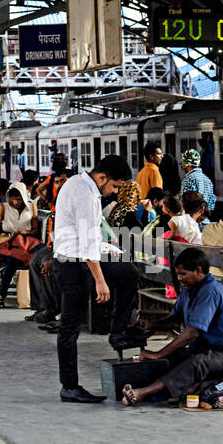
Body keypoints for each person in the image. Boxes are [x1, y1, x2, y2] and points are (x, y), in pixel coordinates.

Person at [51, 154, 139, 403]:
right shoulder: (85, 195)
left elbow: (92, 237)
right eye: (114, 186)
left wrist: (110, 248)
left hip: (81, 258)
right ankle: (69, 386)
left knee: (128, 273)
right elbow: (87, 241)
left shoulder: (80, 183)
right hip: (72, 266)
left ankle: (118, 331)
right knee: (70, 327)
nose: (114, 192)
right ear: (102, 177)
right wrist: (100, 280)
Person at [122, 248, 223, 406]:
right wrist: (151, 324)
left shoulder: (210, 291)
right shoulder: (188, 289)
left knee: (197, 363)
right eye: (178, 274)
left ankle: (142, 393)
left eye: (183, 274)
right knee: (175, 356)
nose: (179, 278)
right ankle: (157, 391)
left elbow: (192, 333)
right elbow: (176, 319)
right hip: (206, 349)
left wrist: (158, 354)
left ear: (198, 270)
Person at [0, 182, 38, 308]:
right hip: (9, 243)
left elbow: (35, 229)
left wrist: (27, 232)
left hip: (27, 243)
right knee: (13, 259)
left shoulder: (32, 206)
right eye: (13, 199)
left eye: (18, 199)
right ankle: (2, 295)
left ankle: (1, 296)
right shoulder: (3, 207)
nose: (16, 203)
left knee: (15, 260)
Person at [180, 148, 215, 213]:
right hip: (205, 219)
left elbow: (184, 203)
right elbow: (212, 204)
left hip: (192, 219)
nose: (182, 165)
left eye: (183, 163)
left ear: (187, 165)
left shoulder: (188, 179)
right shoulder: (208, 180)